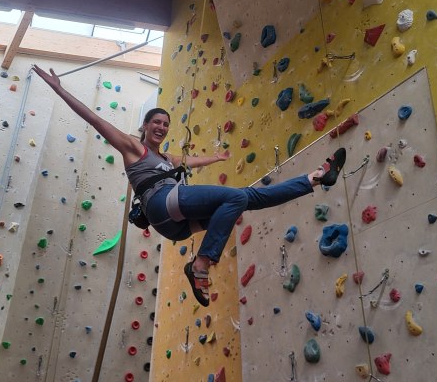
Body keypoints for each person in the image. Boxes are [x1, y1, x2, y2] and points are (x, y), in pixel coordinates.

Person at [33, 65, 346, 307]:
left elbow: (190, 160)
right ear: (144, 125)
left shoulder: (167, 157)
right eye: (156, 122)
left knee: (245, 199)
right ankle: (201, 263)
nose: (162, 127)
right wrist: (60, 90)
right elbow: (96, 121)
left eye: (166, 124)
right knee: (238, 197)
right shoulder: (132, 147)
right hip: (161, 205)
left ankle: (314, 178)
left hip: (176, 226)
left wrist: (216, 158)